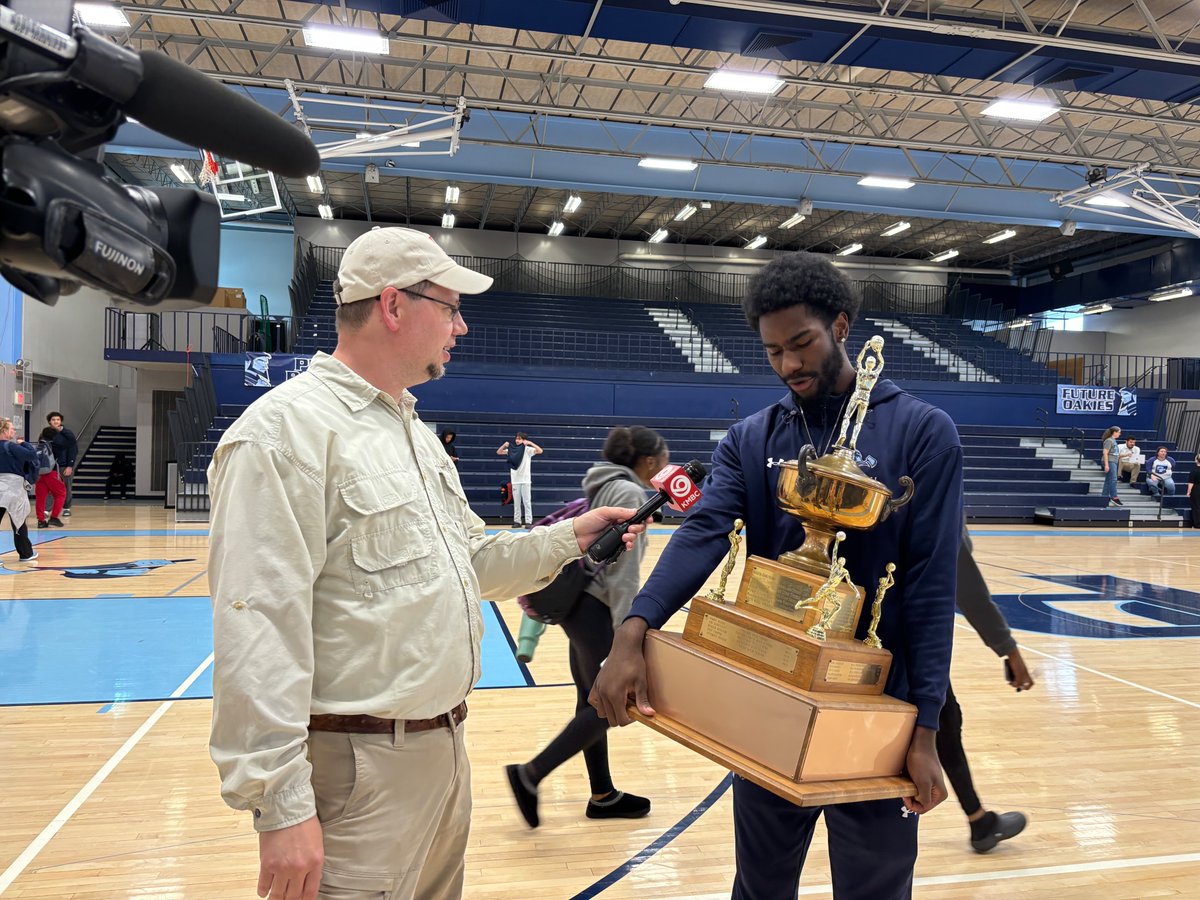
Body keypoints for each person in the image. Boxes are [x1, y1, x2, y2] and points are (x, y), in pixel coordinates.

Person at [207, 226, 645, 900]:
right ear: (393, 306)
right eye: (449, 307)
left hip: (443, 757)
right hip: (357, 773)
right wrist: (280, 805)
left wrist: (572, 537)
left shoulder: (411, 432)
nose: (461, 327)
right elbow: (256, 627)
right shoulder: (283, 434)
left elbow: (469, 560)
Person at [590, 251, 963, 900]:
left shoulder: (924, 433)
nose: (789, 364)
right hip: (771, 689)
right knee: (760, 886)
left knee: (874, 888)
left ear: (841, 327)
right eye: (772, 352)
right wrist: (634, 628)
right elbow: (704, 532)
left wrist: (926, 726)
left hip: (879, 701)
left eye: (802, 344)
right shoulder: (751, 438)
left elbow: (932, 585)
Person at [506, 425, 668, 829]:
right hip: (595, 606)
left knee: (591, 698)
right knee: (608, 700)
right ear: (649, 462)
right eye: (664, 458)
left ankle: (603, 795)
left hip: (576, 603)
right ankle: (530, 774)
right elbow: (623, 574)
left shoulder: (605, 483)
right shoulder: (633, 495)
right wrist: (626, 636)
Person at [940, 525, 1033, 853]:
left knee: (945, 722)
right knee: (941, 724)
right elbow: (968, 586)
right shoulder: (940, 479)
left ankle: (978, 821)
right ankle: (978, 822)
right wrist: (1010, 650)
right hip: (908, 633)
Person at [0, 417, 39, 561]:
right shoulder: (10, 446)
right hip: (12, 488)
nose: (14, 431)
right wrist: (25, 444)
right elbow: (31, 455)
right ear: (4, 431)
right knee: (18, 521)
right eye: (11, 429)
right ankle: (25, 553)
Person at [496, 433, 543, 528]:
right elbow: (499, 452)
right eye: (517, 438)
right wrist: (504, 445)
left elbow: (540, 451)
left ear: (524, 440)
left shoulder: (528, 450)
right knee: (516, 502)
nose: (517, 440)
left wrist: (530, 443)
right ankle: (517, 521)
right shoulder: (511, 450)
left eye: (520, 439)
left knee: (527, 502)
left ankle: (528, 521)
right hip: (515, 480)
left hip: (525, 480)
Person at [34, 426, 67, 528]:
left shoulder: (39, 445)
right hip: (51, 473)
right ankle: (54, 518)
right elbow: (69, 442)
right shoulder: (54, 445)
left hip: (39, 474)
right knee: (61, 494)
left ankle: (41, 521)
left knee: (40, 498)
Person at [46, 411, 77, 518]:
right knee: (49, 487)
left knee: (66, 487)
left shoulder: (67, 433)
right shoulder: (46, 433)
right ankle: (47, 509)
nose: (56, 421)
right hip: (50, 466)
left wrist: (70, 465)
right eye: (53, 420)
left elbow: (73, 450)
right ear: (49, 421)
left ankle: (66, 508)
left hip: (64, 465)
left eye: (58, 420)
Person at [1100, 425, 1121, 507]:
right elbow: (1105, 453)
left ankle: (1104, 498)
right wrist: (1106, 465)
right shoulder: (1109, 440)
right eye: (1119, 432)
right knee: (1113, 479)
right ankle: (1114, 497)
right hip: (1110, 461)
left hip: (1113, 461)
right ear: (1114, 432)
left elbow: (1115, 454)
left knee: (1108, 480)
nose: (1120, 434)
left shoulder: (1114, 441)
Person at [1188, 452, 1200, 528]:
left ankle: (1198, 524)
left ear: (1196, 460)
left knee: (1196, 507)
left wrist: (1188, 491)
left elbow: (1191, 483)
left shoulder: (1194, 471)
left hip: (1196, 489)